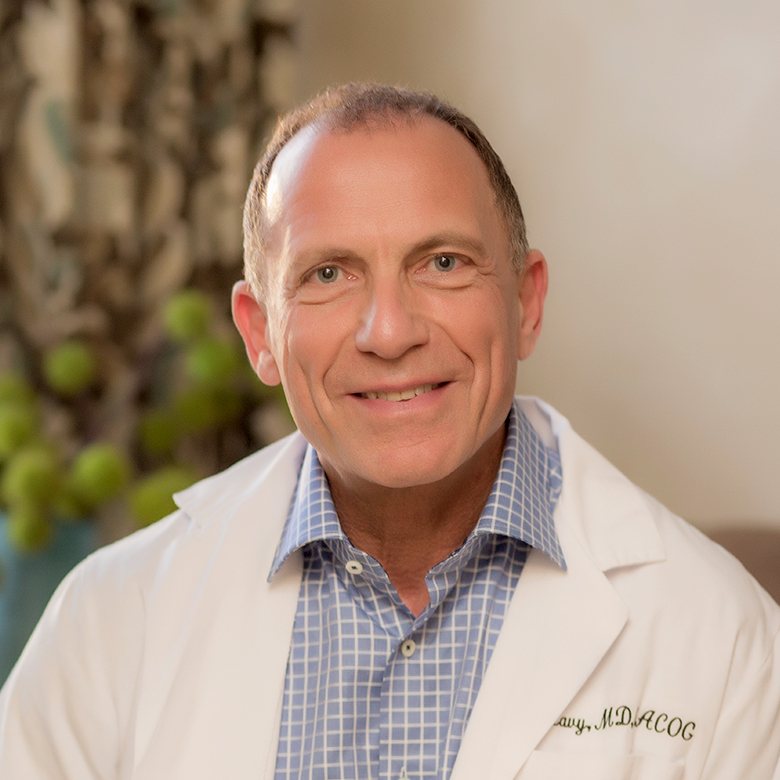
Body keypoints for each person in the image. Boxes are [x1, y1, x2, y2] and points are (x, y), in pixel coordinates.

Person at [0, 83, 778, 780]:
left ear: (526, 302)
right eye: (328, 274)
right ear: (260, 333)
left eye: (443, 262)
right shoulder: (109, 623)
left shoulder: (724, 636)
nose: (390, 332)